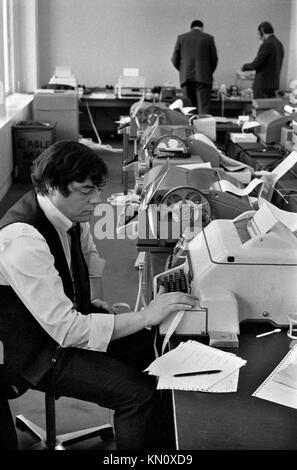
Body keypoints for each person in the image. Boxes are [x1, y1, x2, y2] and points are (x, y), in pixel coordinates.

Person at [0, 140, 196, 450]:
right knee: (137, 394)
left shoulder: (69, 215)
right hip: (36, 350)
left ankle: (163, 444)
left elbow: (88, 255)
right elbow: (67, 331)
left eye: (97, 189)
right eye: (85, 191)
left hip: (65, 322)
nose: (97, 200)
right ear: (53, 186)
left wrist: (95, 299)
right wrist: (145, 315)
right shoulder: (23, 241)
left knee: (156, 349)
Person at [171, 19, 218, 115]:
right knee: (203, 110)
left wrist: (183, 70)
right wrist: (207, 72)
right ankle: (204, 130)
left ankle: (189, 129)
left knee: (188, 109)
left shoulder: (181, 38)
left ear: (191, 27)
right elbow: (214, 59)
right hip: (203, 79)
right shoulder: (208, 38)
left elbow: (174, 59)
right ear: (202, 28)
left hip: (186, 78)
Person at [241, 21, 284, 99]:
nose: (259, 37)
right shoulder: (279, 44)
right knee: (267, 109)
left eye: (259, 34)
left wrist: (243, 67)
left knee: (258, 110)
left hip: (262, 87)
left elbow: (256, 64)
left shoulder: (267, 44)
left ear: (262, 30)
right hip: (273, 86)